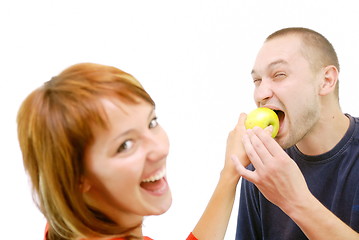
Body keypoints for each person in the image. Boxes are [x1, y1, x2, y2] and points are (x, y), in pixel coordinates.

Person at [17, 62, 247, 240]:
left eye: (152, 122)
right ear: (76, 177)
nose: (160, 149)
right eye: (125, 145)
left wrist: (230, 173)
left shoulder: (67, 224)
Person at [232, 27, 359, 239]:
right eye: (257, 81)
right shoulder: (262, 165)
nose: (261, 94)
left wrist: (295, 200)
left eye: (279, 75)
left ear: (326, 80)